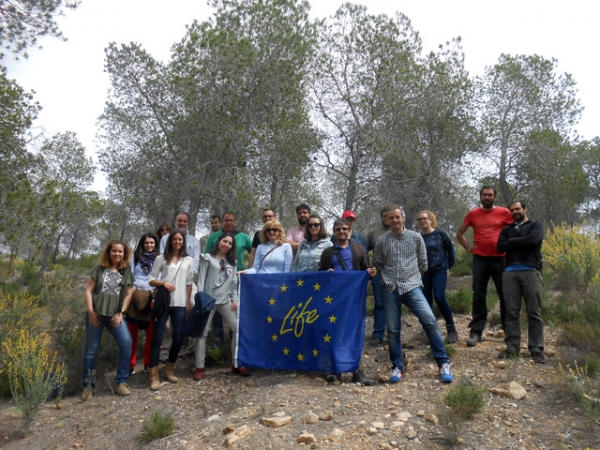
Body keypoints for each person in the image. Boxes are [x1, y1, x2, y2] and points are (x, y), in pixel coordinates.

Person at [372, 206, 454, 384]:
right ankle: (397, 366)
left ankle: (443, 362)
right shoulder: (381, 241)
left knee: (430, 321)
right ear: (387, 220)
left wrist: (414, 280)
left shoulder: (416, 238)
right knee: (393, 331)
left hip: (412, 287)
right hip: (390, 288)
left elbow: (423, 263)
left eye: (397, 217)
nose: (394, 220)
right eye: (390, 218)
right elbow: (377, 264)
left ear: (403, 218)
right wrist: (381, 277)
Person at [318, 218, 377, 385]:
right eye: (338, 229)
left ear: (349, 231)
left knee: (354, 332)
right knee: (335, 333)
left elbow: (365, 271)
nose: (342, 232)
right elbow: (319, 275)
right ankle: (335, 370)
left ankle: (356, 370)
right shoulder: (328, 253)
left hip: (354, 300)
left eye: (344, 229)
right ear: (334, 232)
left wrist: (370, 273)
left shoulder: (359, 250)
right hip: (334, 300)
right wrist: (326, 273)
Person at [456, 186, 513, 346]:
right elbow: (459, 233)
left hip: (501, 259)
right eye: (484, 195)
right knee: (478, 295)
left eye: (490, 195)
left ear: (495, 197)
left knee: (504, 295)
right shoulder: (473, 214)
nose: (487, 197)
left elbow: (514, 230)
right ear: (480, 196)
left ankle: (509, 332)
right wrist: (468, 248)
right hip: (480, 259)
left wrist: (510, 246)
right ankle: (476, 332)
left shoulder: (504, 213)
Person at [193, 232, 250, 380]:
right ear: (219, 242)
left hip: (226, 301)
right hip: (208, 301)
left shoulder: (232, 262)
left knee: (237, 329)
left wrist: (234, 299)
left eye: (230, 243)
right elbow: (201, 280)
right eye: (224, 241)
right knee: (203, 333)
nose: (226, 245)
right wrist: (200, 299)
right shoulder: (208, 258)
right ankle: (200, 366)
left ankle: (237, 363)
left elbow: (233, 283)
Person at [82, 240, 134, 400]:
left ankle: (121, 382)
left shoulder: (126, 271)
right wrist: (91, 311)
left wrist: (122, 312)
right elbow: (89, 291)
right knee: (91, 350)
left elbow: (129, 293)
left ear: (124, 254)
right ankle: (88, 386)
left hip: (115, 316)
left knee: (126, 343)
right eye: (114, 251)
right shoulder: (99, 269)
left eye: (120, 252)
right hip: (96, 316)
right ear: (109, 252)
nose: (117, 254)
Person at [496, 201, 546, 363]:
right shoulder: (507, 229)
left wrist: (512, 242)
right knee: (511, 312)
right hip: (510, 273)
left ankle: (536, 348)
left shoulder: (536, 225)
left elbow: (533, 241)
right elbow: (500, 247)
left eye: (517, 209)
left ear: (525, 208)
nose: (514, 212)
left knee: (534, 312)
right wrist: (521, 241)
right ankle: (512, 347)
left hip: (531, 271)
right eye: (512, 210)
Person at [148, 229, 194, 390]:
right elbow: (151, 279)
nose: (177, 242)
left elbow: (189, 282)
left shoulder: (188, 260)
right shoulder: (161, 258)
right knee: (157, 338)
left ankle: (169, 369)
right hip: (163, 302)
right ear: (170, 241)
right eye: (175, 239)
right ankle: (153, 374)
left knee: (179, 338)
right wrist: (163, 283)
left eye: (180, 240)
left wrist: (188, 302)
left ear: (183, 242)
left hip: (180, 303)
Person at [417, 210, 458, 343]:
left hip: (439, 271)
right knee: (427, 301)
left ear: (430, 219)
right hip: (424, 273)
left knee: (439, 297)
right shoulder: (418, 238)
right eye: (420, 219)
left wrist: (448, 267)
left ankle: (451, 329)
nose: (422, 221)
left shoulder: (440, 234)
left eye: (424, 218)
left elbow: (450, 250)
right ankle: (431, 331)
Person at [125, 232, 158, 375]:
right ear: (142, 244)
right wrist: (132, 293)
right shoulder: (135, 258)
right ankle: (130, 364)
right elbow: (130, 276)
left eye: (152, 243)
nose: (149, 245)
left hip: (152, 298)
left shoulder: (159, 259)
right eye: (146, 243)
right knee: (131, 334)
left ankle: (147, 363)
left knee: (151, 334)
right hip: (136, 297)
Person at [366, 208, 390, 346]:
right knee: (380, 303)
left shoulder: (401, 231)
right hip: (378, 273)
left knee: (394, 303)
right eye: (384, 216)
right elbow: (364, 250)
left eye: (389, 216)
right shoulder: (374, 233)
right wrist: (369, 266)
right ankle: (378, 334)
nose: (387, 218)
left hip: (396, 274)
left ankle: (393, 333)